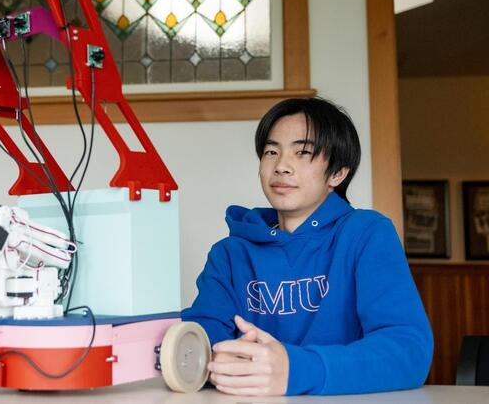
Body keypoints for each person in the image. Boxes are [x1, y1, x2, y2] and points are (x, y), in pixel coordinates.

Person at [182, 97, 433, 396]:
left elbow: (409, 351)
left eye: (303, 152)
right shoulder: (230, 253)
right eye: (271, 151)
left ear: (338, 173)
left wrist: (296, 370)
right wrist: (214, 356)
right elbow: (200, 339)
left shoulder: (366, 234)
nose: (281, 166)